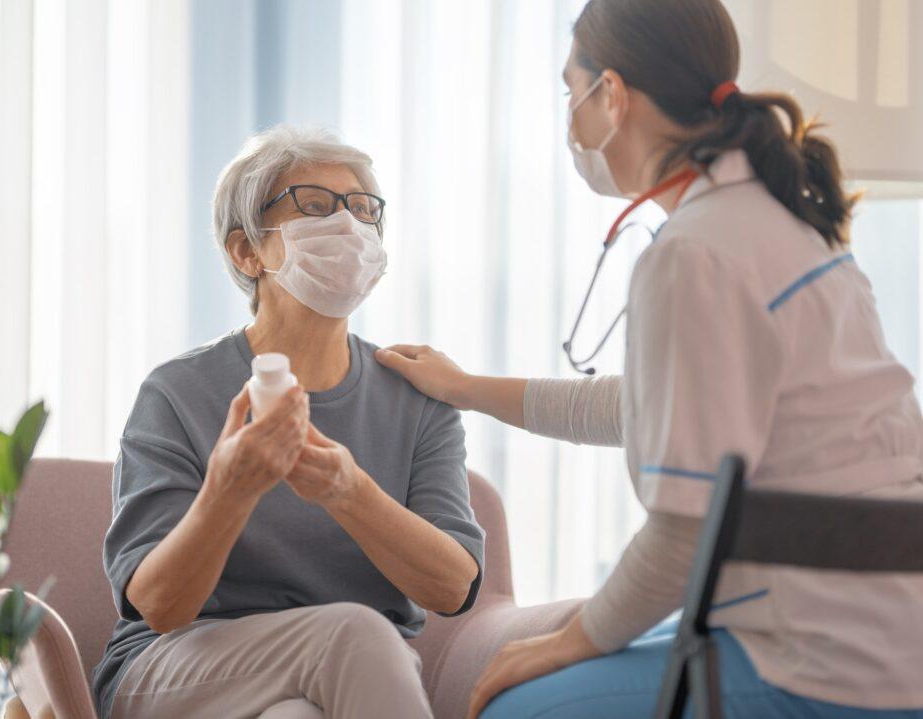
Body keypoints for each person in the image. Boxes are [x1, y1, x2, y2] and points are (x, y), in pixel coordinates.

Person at [376, 0, 923, 717]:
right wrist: (467, 387)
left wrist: (567, 640)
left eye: (571, 93)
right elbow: (648, 404)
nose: (569, 121)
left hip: (822, 658)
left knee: (507, 705)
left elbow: (682, 531)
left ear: (612, 95)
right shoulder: (776, 219)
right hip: (883, 626)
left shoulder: (694, 253)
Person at [91, 125, 484, 719]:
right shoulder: (178, 392)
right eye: (315, 206)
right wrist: (230, 489)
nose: (348, 226)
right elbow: (159, 606)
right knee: (353, 634)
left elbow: (453, 588)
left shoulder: (418, 399)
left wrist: (347, 491)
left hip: (342, 677)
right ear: (246, 250)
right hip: (177, 665)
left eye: (362, 209)